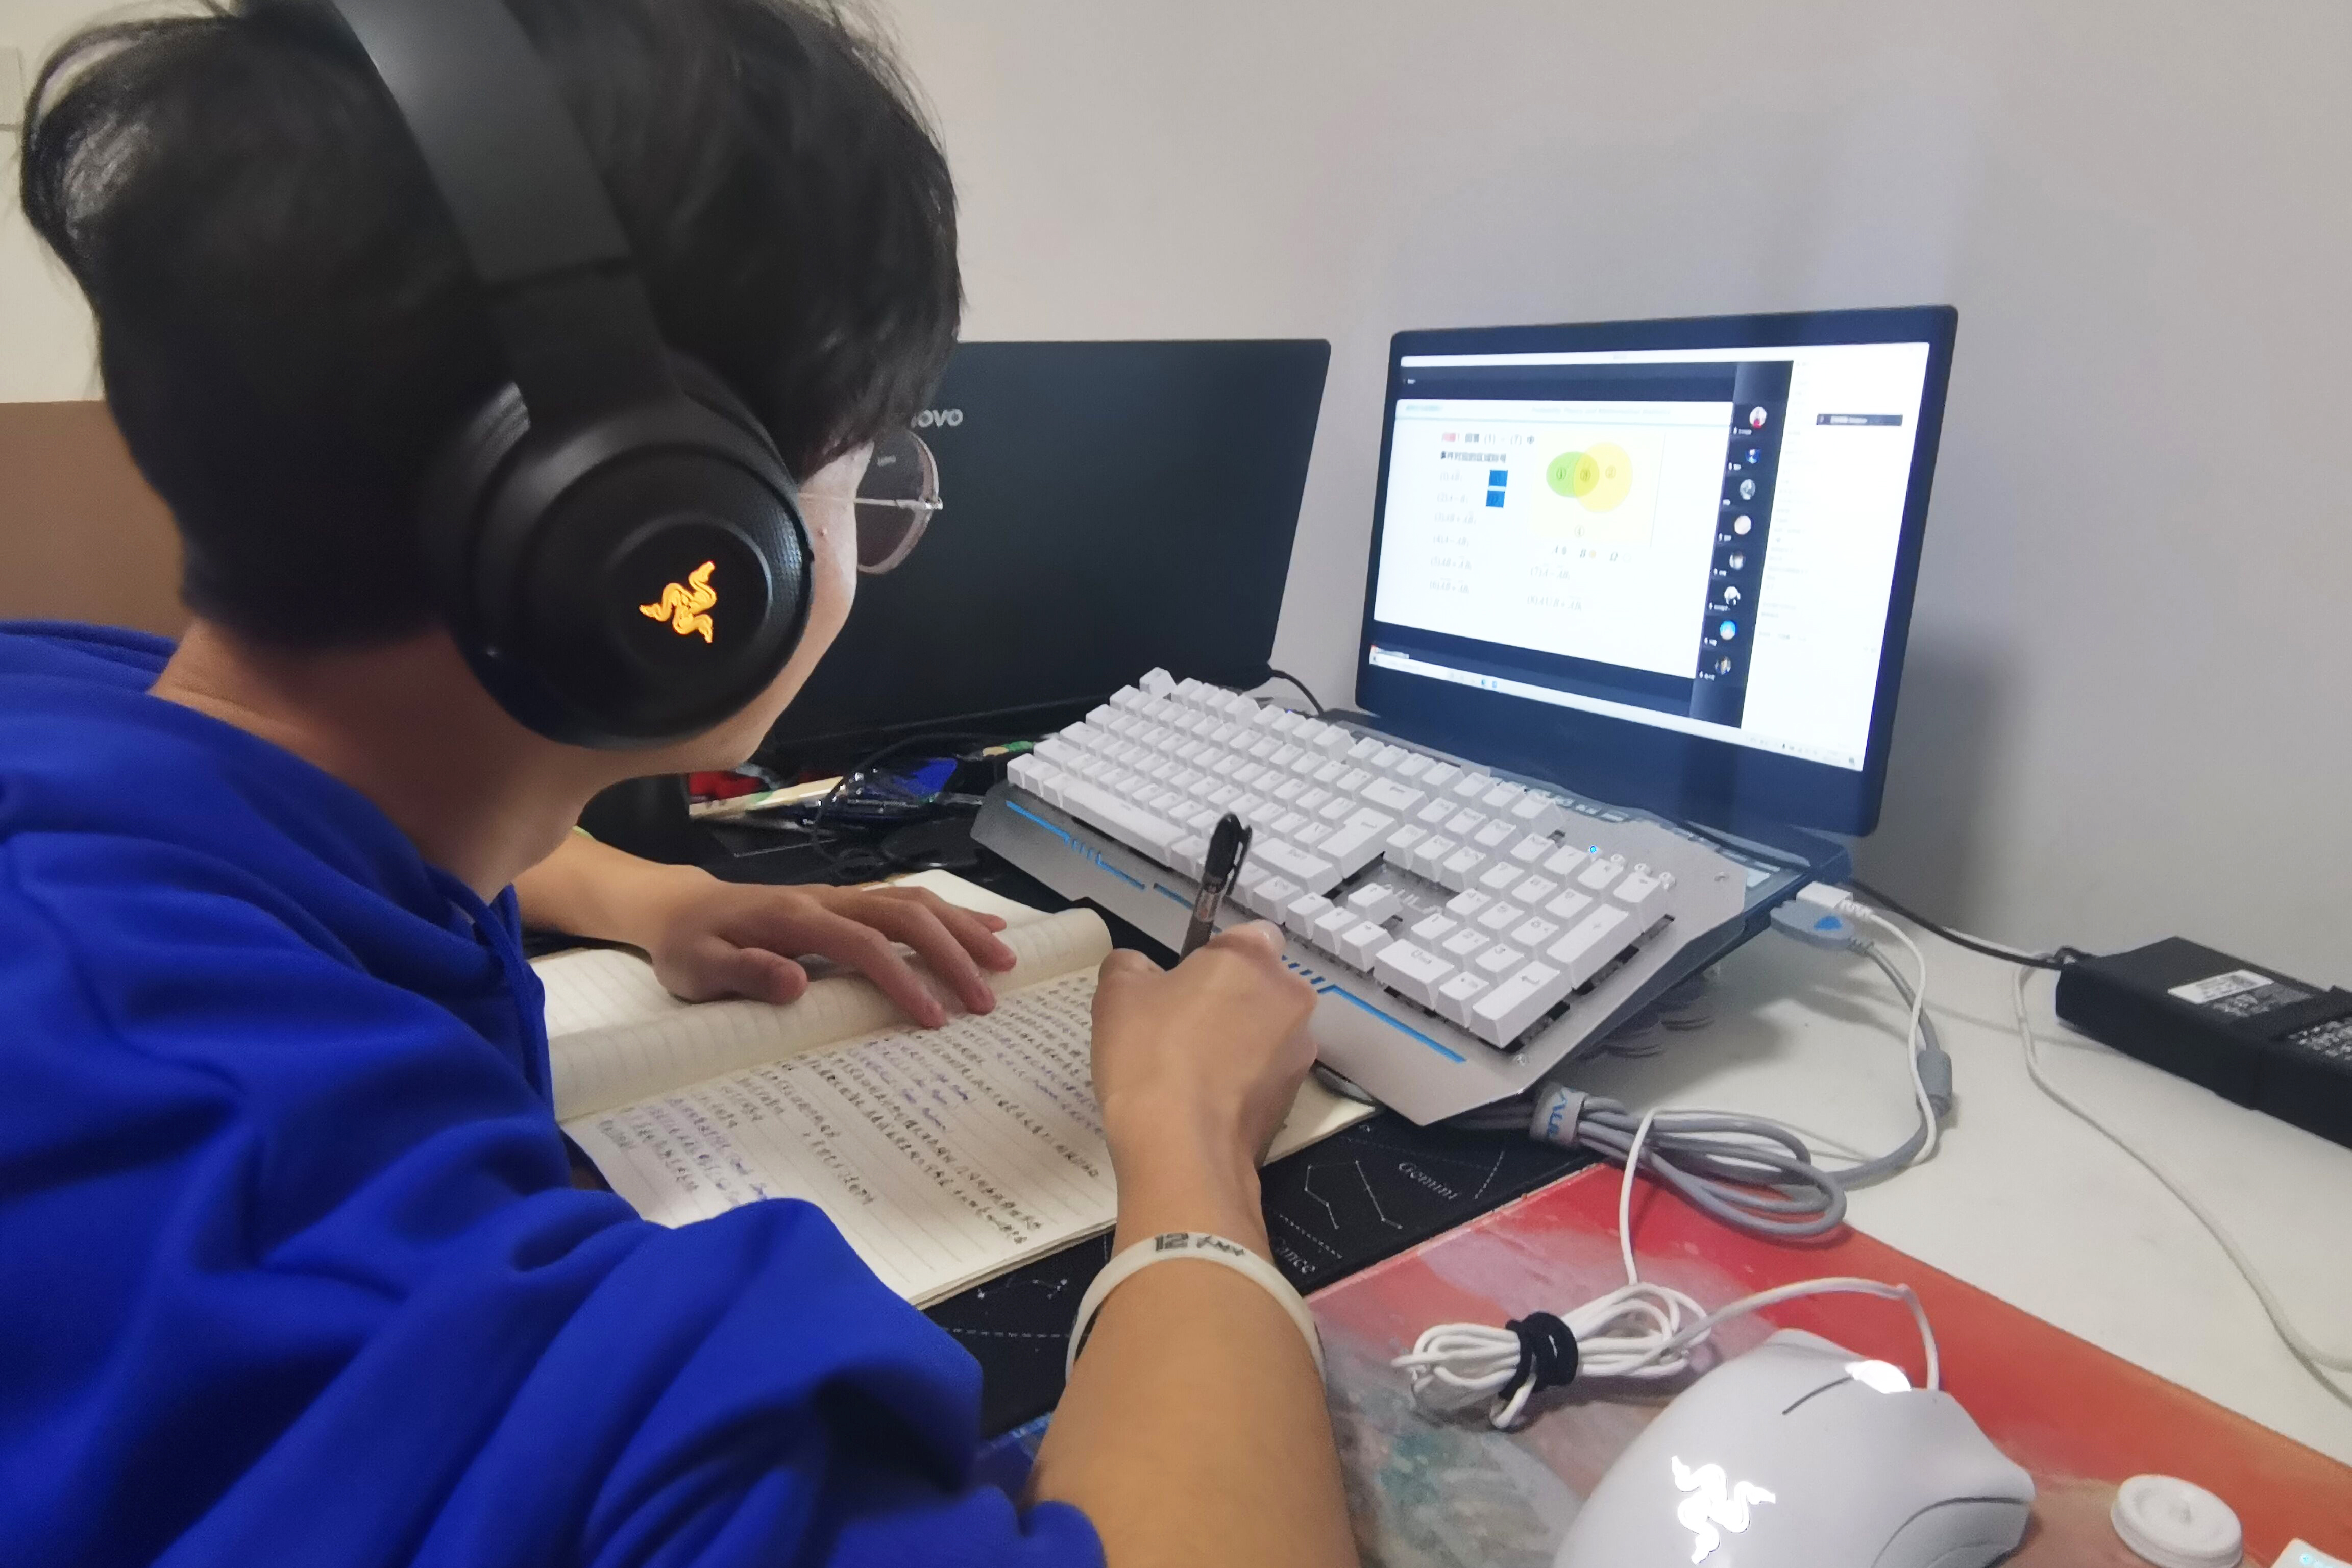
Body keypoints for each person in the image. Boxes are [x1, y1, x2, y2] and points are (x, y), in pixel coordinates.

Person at [0, 2, 1356, 1564]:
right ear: (665, 552)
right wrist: (1188, 1142)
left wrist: (650, 896)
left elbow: (358, 812)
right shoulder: (317, 1239)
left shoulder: (75, 709)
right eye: (866, 481)